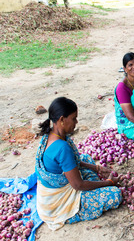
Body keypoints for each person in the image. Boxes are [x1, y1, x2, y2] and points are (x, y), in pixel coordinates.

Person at [35, 97, 122, 231]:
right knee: (114, 194)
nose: (76, 122)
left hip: (48, 196)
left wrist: (97, 168)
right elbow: (78, 185)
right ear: (62, 120)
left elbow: (75, 161)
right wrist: (109, 182)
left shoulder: (51, 134)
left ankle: (95, 183)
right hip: (56, 205)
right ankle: (72, 211)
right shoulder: (62, 148)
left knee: (86, 158)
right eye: (74, 118)